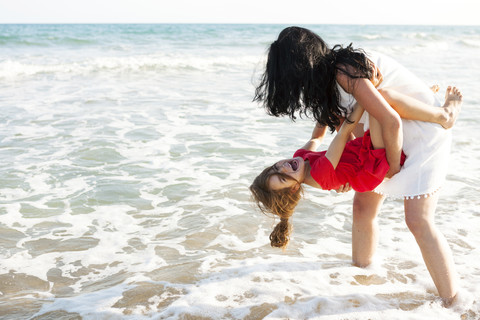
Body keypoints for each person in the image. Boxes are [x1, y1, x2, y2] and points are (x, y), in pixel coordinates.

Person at [253, 26, 462, 305]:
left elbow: (390, 121)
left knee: (418, 220)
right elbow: (343, 127)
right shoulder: (324, 83)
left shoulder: (345, 71)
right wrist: (343, 171)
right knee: (362, 207)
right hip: (380, 138)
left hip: (418, 131)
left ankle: (454, 302)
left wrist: (391, 166)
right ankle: (361, 277)